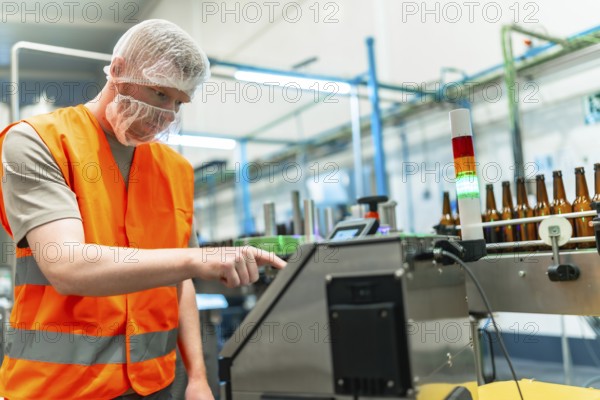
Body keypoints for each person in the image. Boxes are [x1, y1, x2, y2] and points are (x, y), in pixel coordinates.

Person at [0, 19, 286, 399]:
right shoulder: (39, 142)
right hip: (59, 387)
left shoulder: (176, 170)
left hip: (155, 386)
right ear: (117, 71)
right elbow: (67, 266)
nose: (166, 115)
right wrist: (197, 261)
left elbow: (179, 280)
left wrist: (198, 376)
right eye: (158, 94)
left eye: (178, 102)